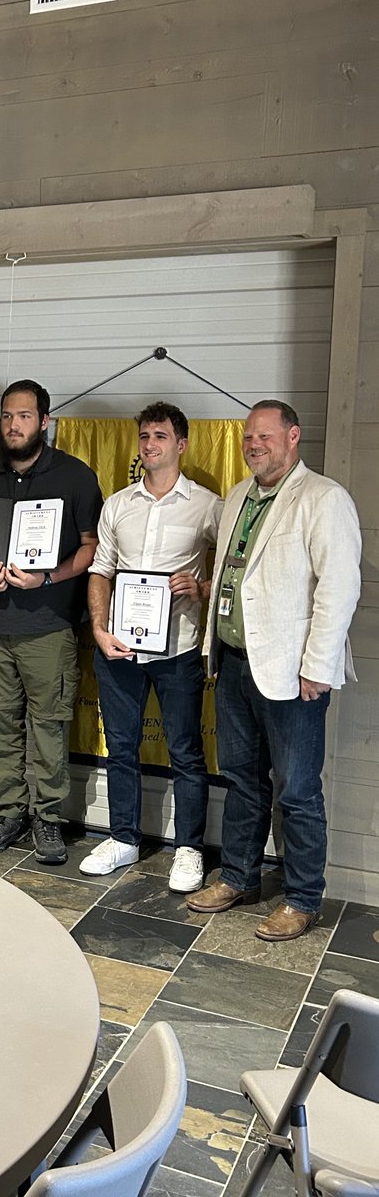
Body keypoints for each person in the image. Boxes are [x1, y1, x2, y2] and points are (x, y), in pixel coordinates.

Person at [187, 401, 361, 941]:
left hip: (292, 672)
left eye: (264, 435)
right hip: (235, 663)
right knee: (242, 780)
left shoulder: (324, 498)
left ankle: (303, 898)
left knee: (298, 790)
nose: (253, 444)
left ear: (293, 436)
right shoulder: (239, 496)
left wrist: (318, 667)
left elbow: (339, 589)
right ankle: (238, 876)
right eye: (248, 437)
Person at [79, 402, 221, 891]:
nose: (150, 444)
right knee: (121, 747)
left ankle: (189, 848)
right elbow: (101, 570)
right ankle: (123, 839)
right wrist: (100, 629)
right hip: (119, 649)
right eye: (144, 436)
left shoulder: (208, 505)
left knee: (185, 752)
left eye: (160, 436)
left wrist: (201, 588)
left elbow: (233, 569)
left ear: (181, 444)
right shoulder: (118, 504)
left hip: (178, 650)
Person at [0, 380, 102, 865]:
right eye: (6, 416)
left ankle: (47, 818)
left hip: (48, 626)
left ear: (44, 421)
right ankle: (8, 813)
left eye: (24, 416)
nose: (13, 425)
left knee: (48, 727)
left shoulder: (75, 476)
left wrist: (47, 577)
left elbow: (91, 548)